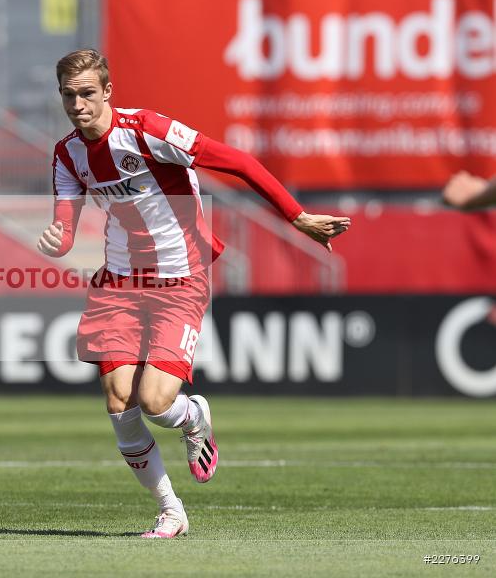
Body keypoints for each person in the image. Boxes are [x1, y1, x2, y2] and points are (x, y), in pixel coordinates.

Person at [37, 49, 351, 539]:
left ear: (107, 92)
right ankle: (170, 510)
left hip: (179, 279)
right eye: (68, 95)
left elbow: (240, 162)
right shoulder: (67, 154)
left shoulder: (148, 131)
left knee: (157, 403)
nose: (77, 104)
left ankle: (194, 416)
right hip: (119, 282)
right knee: (119, 403)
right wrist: (58, 241)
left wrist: (298, 217)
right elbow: (65, 223)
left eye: (87, 94)